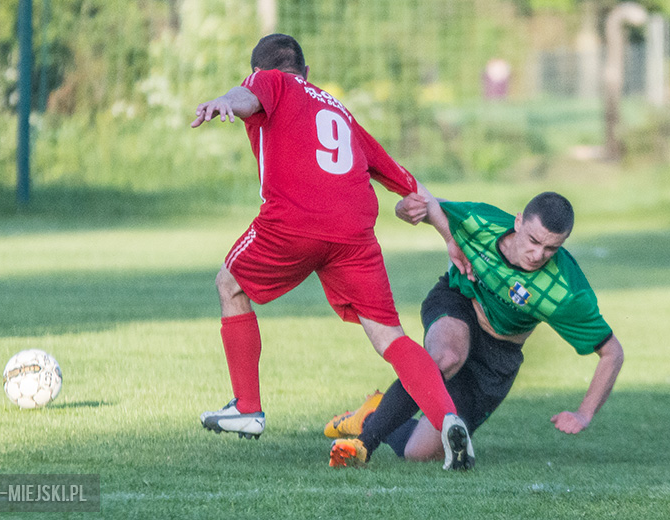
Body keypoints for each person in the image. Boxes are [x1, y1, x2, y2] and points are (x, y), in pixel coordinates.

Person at [190, 33, 472, 460]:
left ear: (261, 72)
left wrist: (226, 101)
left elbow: (246, 96)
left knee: (230, 285)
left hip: (296, 220)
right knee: (388, 335)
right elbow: (406, 180)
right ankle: (447, 418)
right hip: (355, 232)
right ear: (307, 72)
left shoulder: (271, 83)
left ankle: (247, 408)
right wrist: (449, 237)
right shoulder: (339, 110)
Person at [326, 192, 624, 469]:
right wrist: (407, 207)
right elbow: (429, 204)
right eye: (533, 240)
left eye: (550, 248)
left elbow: (612, 352)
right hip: (458, 304)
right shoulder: (482, 222)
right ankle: (365, 444)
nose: (537, 254)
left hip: (497, 357)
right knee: (447, 356)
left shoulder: (565, 291)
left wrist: (584, 414)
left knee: (418, 454)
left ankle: (370, 414)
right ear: (518, 221)